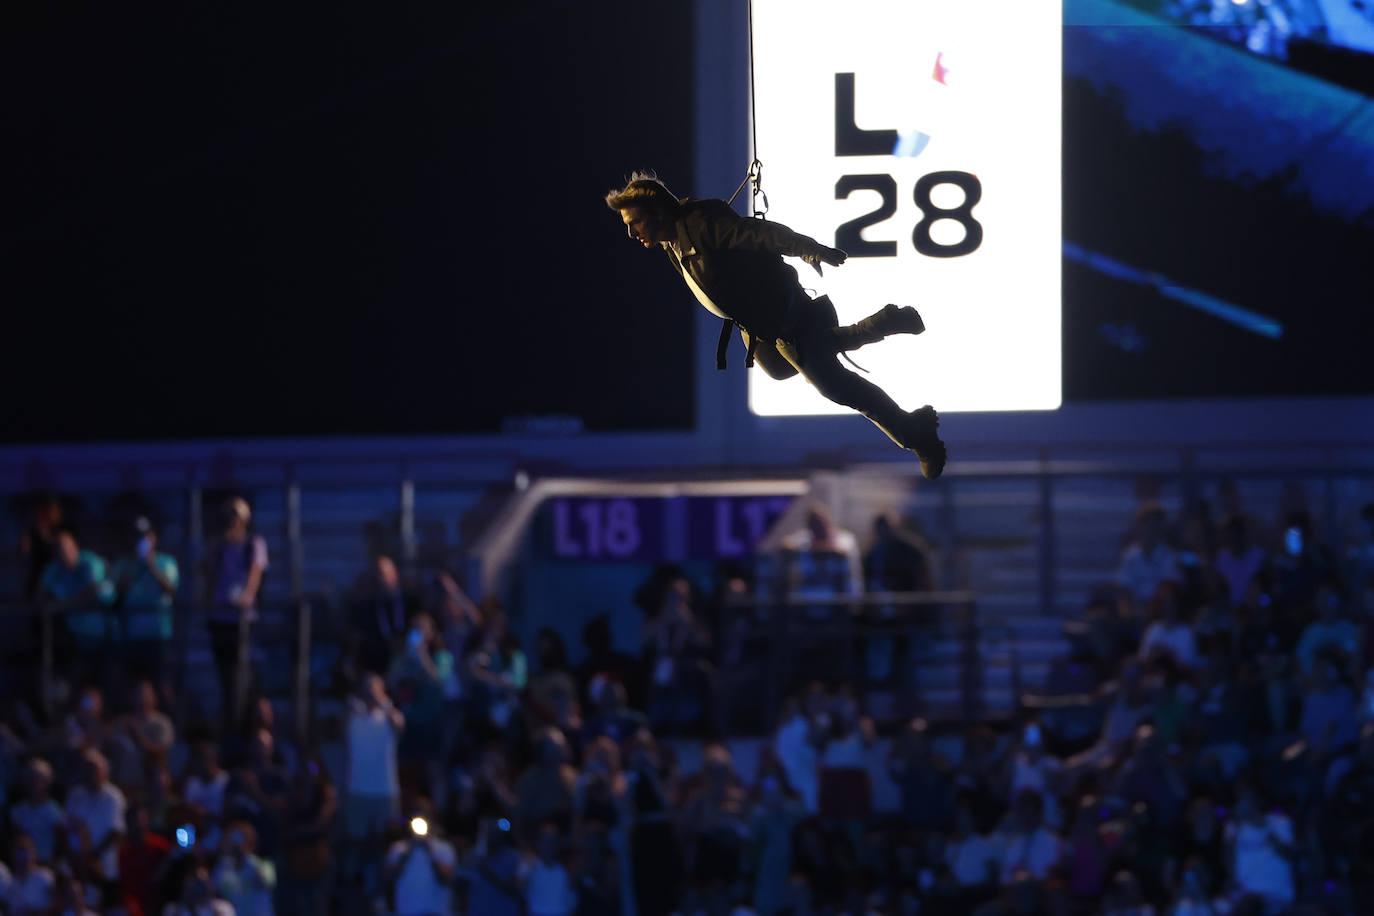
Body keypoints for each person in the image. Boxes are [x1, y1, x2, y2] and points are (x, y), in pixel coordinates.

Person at [606, 171, 946, 478]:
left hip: (781, 315)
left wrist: (808, 249)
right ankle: (873, 329)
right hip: (756, 325)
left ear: (658, 213)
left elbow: (760, 234)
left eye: (634, 222)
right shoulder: (671, 242)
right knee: (783, 369)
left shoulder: (701, 224)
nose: (630, 232)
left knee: (836, 386)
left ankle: (914, 427)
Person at [204, 496, 269, 729]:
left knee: (240, 673)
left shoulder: (254, 543)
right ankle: (228, 719)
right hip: (219, 616)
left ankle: (242, 720)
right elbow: (209, 574)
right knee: (224, 674)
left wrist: (245, 598)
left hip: (241, 619)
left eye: (236, 515)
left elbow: (255, 573)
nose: (232, 520)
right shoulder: (217, 545)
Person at [112, 517, 180, 689]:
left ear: (153, 538)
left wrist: (151, 565)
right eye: (138, 537)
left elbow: (171, 590)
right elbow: (114, 595)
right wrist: (133, 570)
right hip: (130, 636)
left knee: (162, 685)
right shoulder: (123, 564)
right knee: (132, 686)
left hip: (158, 636)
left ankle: (167, 716)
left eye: (145, 537)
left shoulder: (166, 562)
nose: (141, 542)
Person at [385, 801, 457, 916]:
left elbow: (447, 878)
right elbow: (389, 879)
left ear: (431, 821)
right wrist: (409, 851)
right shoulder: (398, 849)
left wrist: (429, 850)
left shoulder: (444, 848)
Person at [212, 820, 276, 916]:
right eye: (231, 840)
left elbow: (268, 881)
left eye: (239, 840)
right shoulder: (221, 867)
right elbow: (215, 892)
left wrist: (248, 860)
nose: (236, 846)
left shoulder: (263, 865)